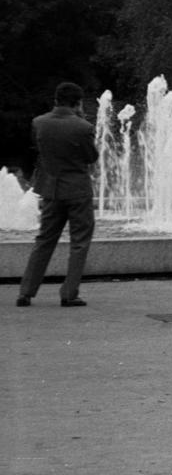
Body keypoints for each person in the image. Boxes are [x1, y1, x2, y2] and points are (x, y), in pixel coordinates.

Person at [15, 82, 98, 308]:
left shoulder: (39, 123)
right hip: (77, 190)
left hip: (51, 189)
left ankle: (26, 292)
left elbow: (42, 151)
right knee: (79, 241)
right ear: (78, 103)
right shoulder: (83, 127)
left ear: (56, 100)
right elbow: (91, 157)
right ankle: (69, 294)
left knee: (44, 240)